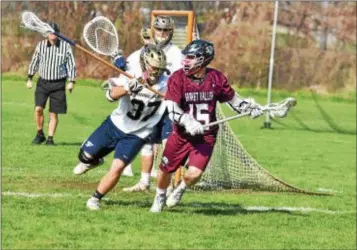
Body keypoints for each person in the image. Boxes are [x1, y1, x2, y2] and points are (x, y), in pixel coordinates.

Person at [150, 40, 264, 213]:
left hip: (206, 135)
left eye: (190, 58)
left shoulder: (216, 78)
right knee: (166, 170)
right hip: (181, 134)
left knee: (194, 174)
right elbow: (172, 110)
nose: (185, 61)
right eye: (185, 57)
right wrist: (188, 121)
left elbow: (234, 101)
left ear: (203, 60)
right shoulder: (177, 78)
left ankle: (181, 189)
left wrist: (248, 107)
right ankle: (160, 196)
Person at [72, 45, 169, 210]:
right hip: (115, 124)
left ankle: (94, 199)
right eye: (153, 68)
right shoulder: (130, 75)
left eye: (159, 69)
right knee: (84, 156)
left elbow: (181, 95)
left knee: (117, 167)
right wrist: (127, 88)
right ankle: (92, 161)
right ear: (145, 64)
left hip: (138, 133)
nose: (156, 72)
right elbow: (109, 95)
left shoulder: (168, 83)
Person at [121, 16, 182, 189]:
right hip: (150, 105)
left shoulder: (176, 54)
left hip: (168, 107)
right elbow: (132, 67)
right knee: (146, 143)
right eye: (159, 29)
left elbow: (178, 78)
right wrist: (122, 65)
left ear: (171, 32)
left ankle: (168, 185)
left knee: (168, 145)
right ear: (153, 30)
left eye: (165, 30)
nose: (162, 33)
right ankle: (144, 181)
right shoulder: (145, 50)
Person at [27, 22, 76, 145]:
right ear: (46, 34)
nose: (52, 34)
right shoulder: (41, 46)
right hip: (43, 82)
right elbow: (35, 61)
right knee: (38, 109)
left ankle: (50, 139)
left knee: (53, 113)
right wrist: (29, 78)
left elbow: (71, 65)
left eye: (54, 32)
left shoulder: (66, 47)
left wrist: (71, 81)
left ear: (58, 34)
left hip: (58, 84)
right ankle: (39, 134)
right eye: (49, 32)